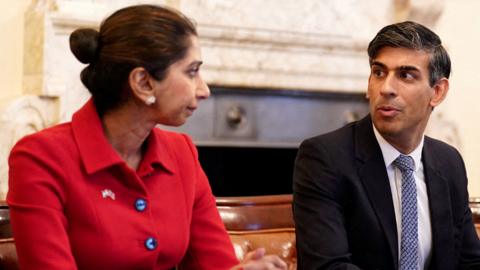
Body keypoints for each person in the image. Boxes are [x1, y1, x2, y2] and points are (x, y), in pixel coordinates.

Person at [7, 4, 287, 270]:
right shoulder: (40, 157)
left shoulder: (182, 153)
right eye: (191, 72)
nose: (204, 90)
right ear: (143, 82)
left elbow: (216, 263)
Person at [293, 21, 480, 270]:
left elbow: (469, 261)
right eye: (379, 72)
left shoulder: (448, 162)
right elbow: (328, 266)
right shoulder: (325, 158)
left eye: (405, 75)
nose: (386, 88)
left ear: (437, 91)